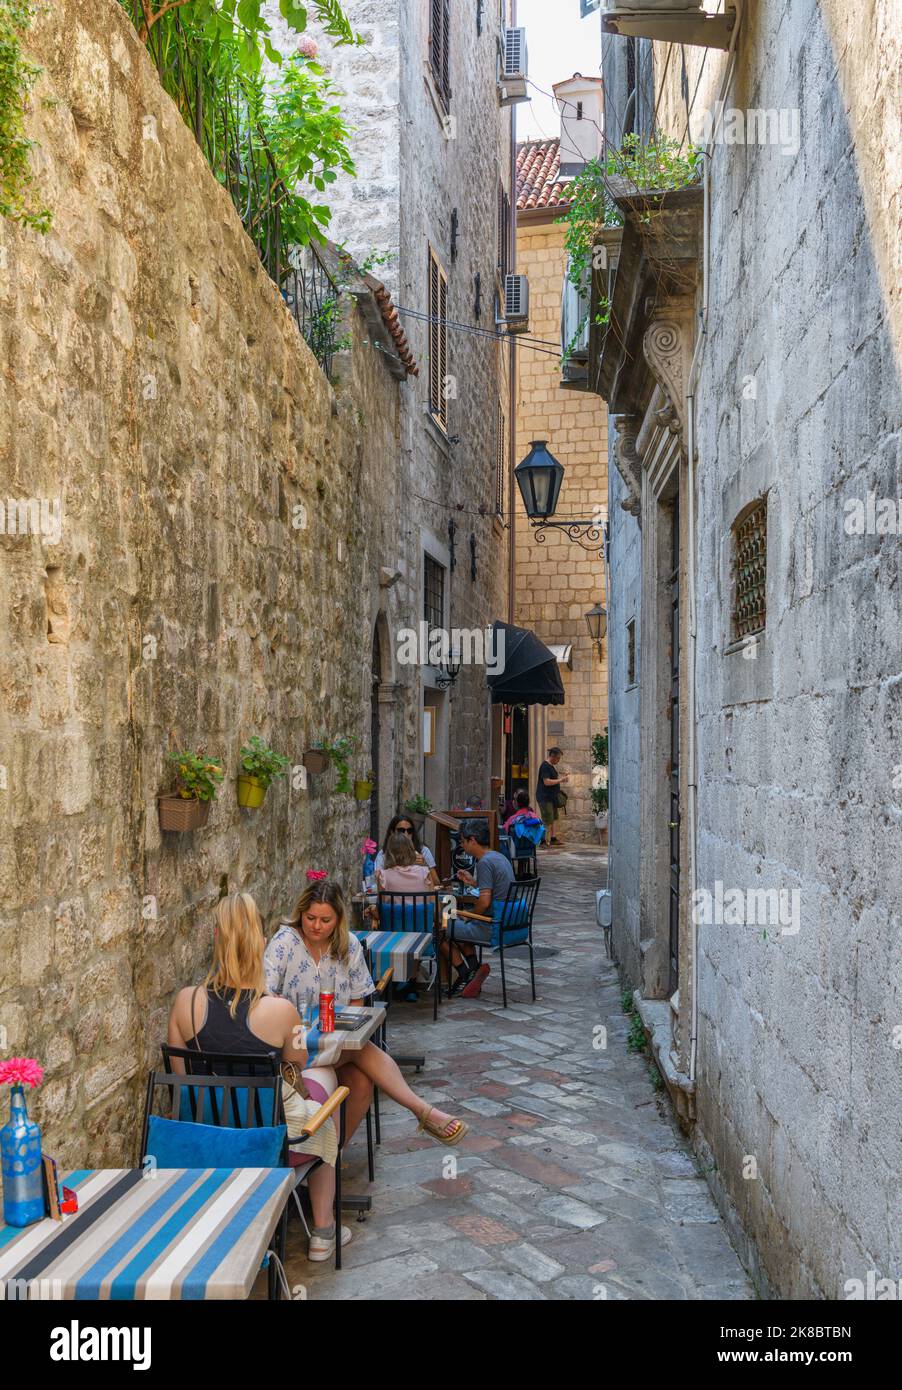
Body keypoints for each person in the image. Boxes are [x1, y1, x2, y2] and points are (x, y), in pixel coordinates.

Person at [166, 893, 350, 1264]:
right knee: (325, 1090)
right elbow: (296, 1066)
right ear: (260, 943)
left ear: (216, 938)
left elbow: (181, 1081)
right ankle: (322, 1229)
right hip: (268, 1138)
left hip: (207, 1134)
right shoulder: (282, 1011)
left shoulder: (185, 1002)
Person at [265, 876, 469, 1148]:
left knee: (361, 1083)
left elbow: (358, 1002)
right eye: (310, 917)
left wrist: (338, 1035)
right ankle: (422, 1111)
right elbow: (265, 994)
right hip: (294, 1046)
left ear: (338, 919)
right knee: (363, 1053)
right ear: (301, 912)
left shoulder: (348, 945)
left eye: (325, 920)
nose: (316, 926)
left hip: (333, 1041)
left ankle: (330, 1158)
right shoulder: (284, 943)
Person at [441, 819, 517, 998]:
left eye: (462, 841)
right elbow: (495, 889)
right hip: (510, 924)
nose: (461, 845)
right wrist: (473, 882)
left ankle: (466, 974)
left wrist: (471, 916)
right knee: (458, 925)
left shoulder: (484, 862)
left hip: (493, 928)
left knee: (441, 929)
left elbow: (484, 902)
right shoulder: (499, 857)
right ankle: (474, 970)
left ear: (472, 840)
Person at [375, 833, 433, 1002]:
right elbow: (430, 902)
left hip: (393, 936)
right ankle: (410, 982)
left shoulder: (383, 876)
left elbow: (383, 904)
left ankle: (396, 981)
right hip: (420, 936)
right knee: (415, 928)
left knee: (397, 925)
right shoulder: (424, 873)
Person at [374, 815, 440, 886]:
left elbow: (436, 882)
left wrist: (425, 865)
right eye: (401, 830)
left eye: (409, 831)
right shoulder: (383, 854)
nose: (406, 834)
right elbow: (378, 882)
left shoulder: (423, 851)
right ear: (392, 832)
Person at [535, 746, 568, 847]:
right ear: (552, 756)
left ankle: (553, 838)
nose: (558, 761)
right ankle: (543, 841)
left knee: (553, 818)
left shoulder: (551, 766)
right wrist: (561, 780)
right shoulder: (545, 766)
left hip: (551, 797)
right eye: (558, 758)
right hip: (544, 797)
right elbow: (546, 782)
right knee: (547, 819)